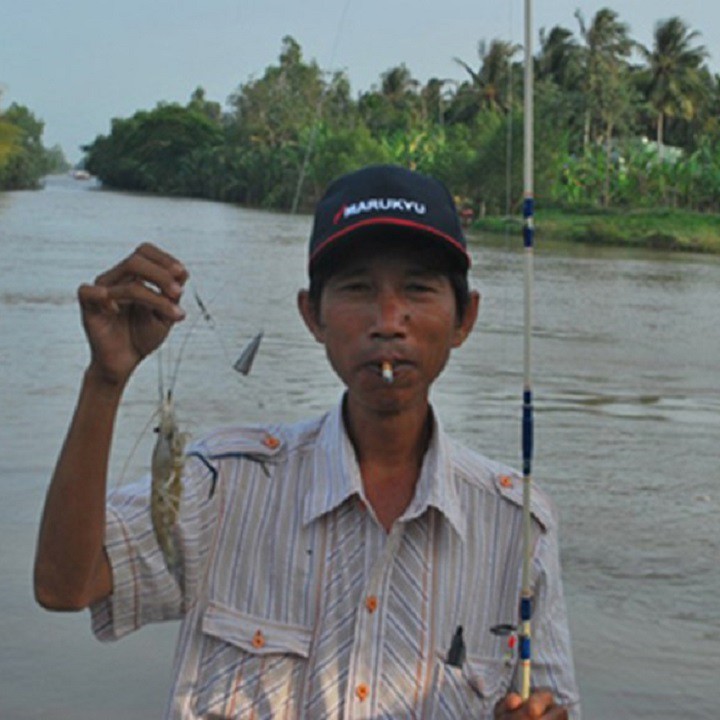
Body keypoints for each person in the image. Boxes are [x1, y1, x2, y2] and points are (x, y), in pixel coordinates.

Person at [34, 164, 580, 719]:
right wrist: (105, 380)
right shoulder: (223, 483)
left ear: (465, 318)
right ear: (311, 315)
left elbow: (554, 704)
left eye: (417, 288)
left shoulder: (519, 525)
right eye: (357, 289)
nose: (389, 320)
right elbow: (64, 585)